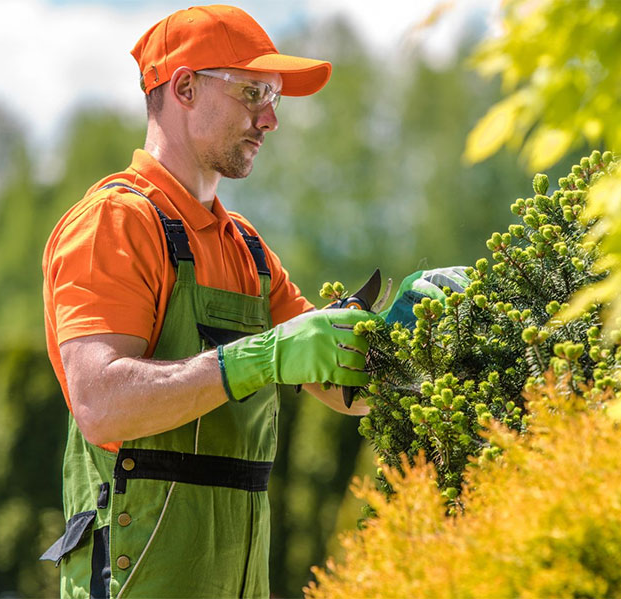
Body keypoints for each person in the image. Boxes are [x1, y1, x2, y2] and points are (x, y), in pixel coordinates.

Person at [40, 5, 380, 597]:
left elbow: (345, 386)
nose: (270, 118)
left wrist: (428, 338)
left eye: (274, 97)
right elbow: (100, 402)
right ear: (186, 87)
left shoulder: (247, 248)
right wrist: (258, 359)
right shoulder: (115, 223)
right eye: (253, 91)